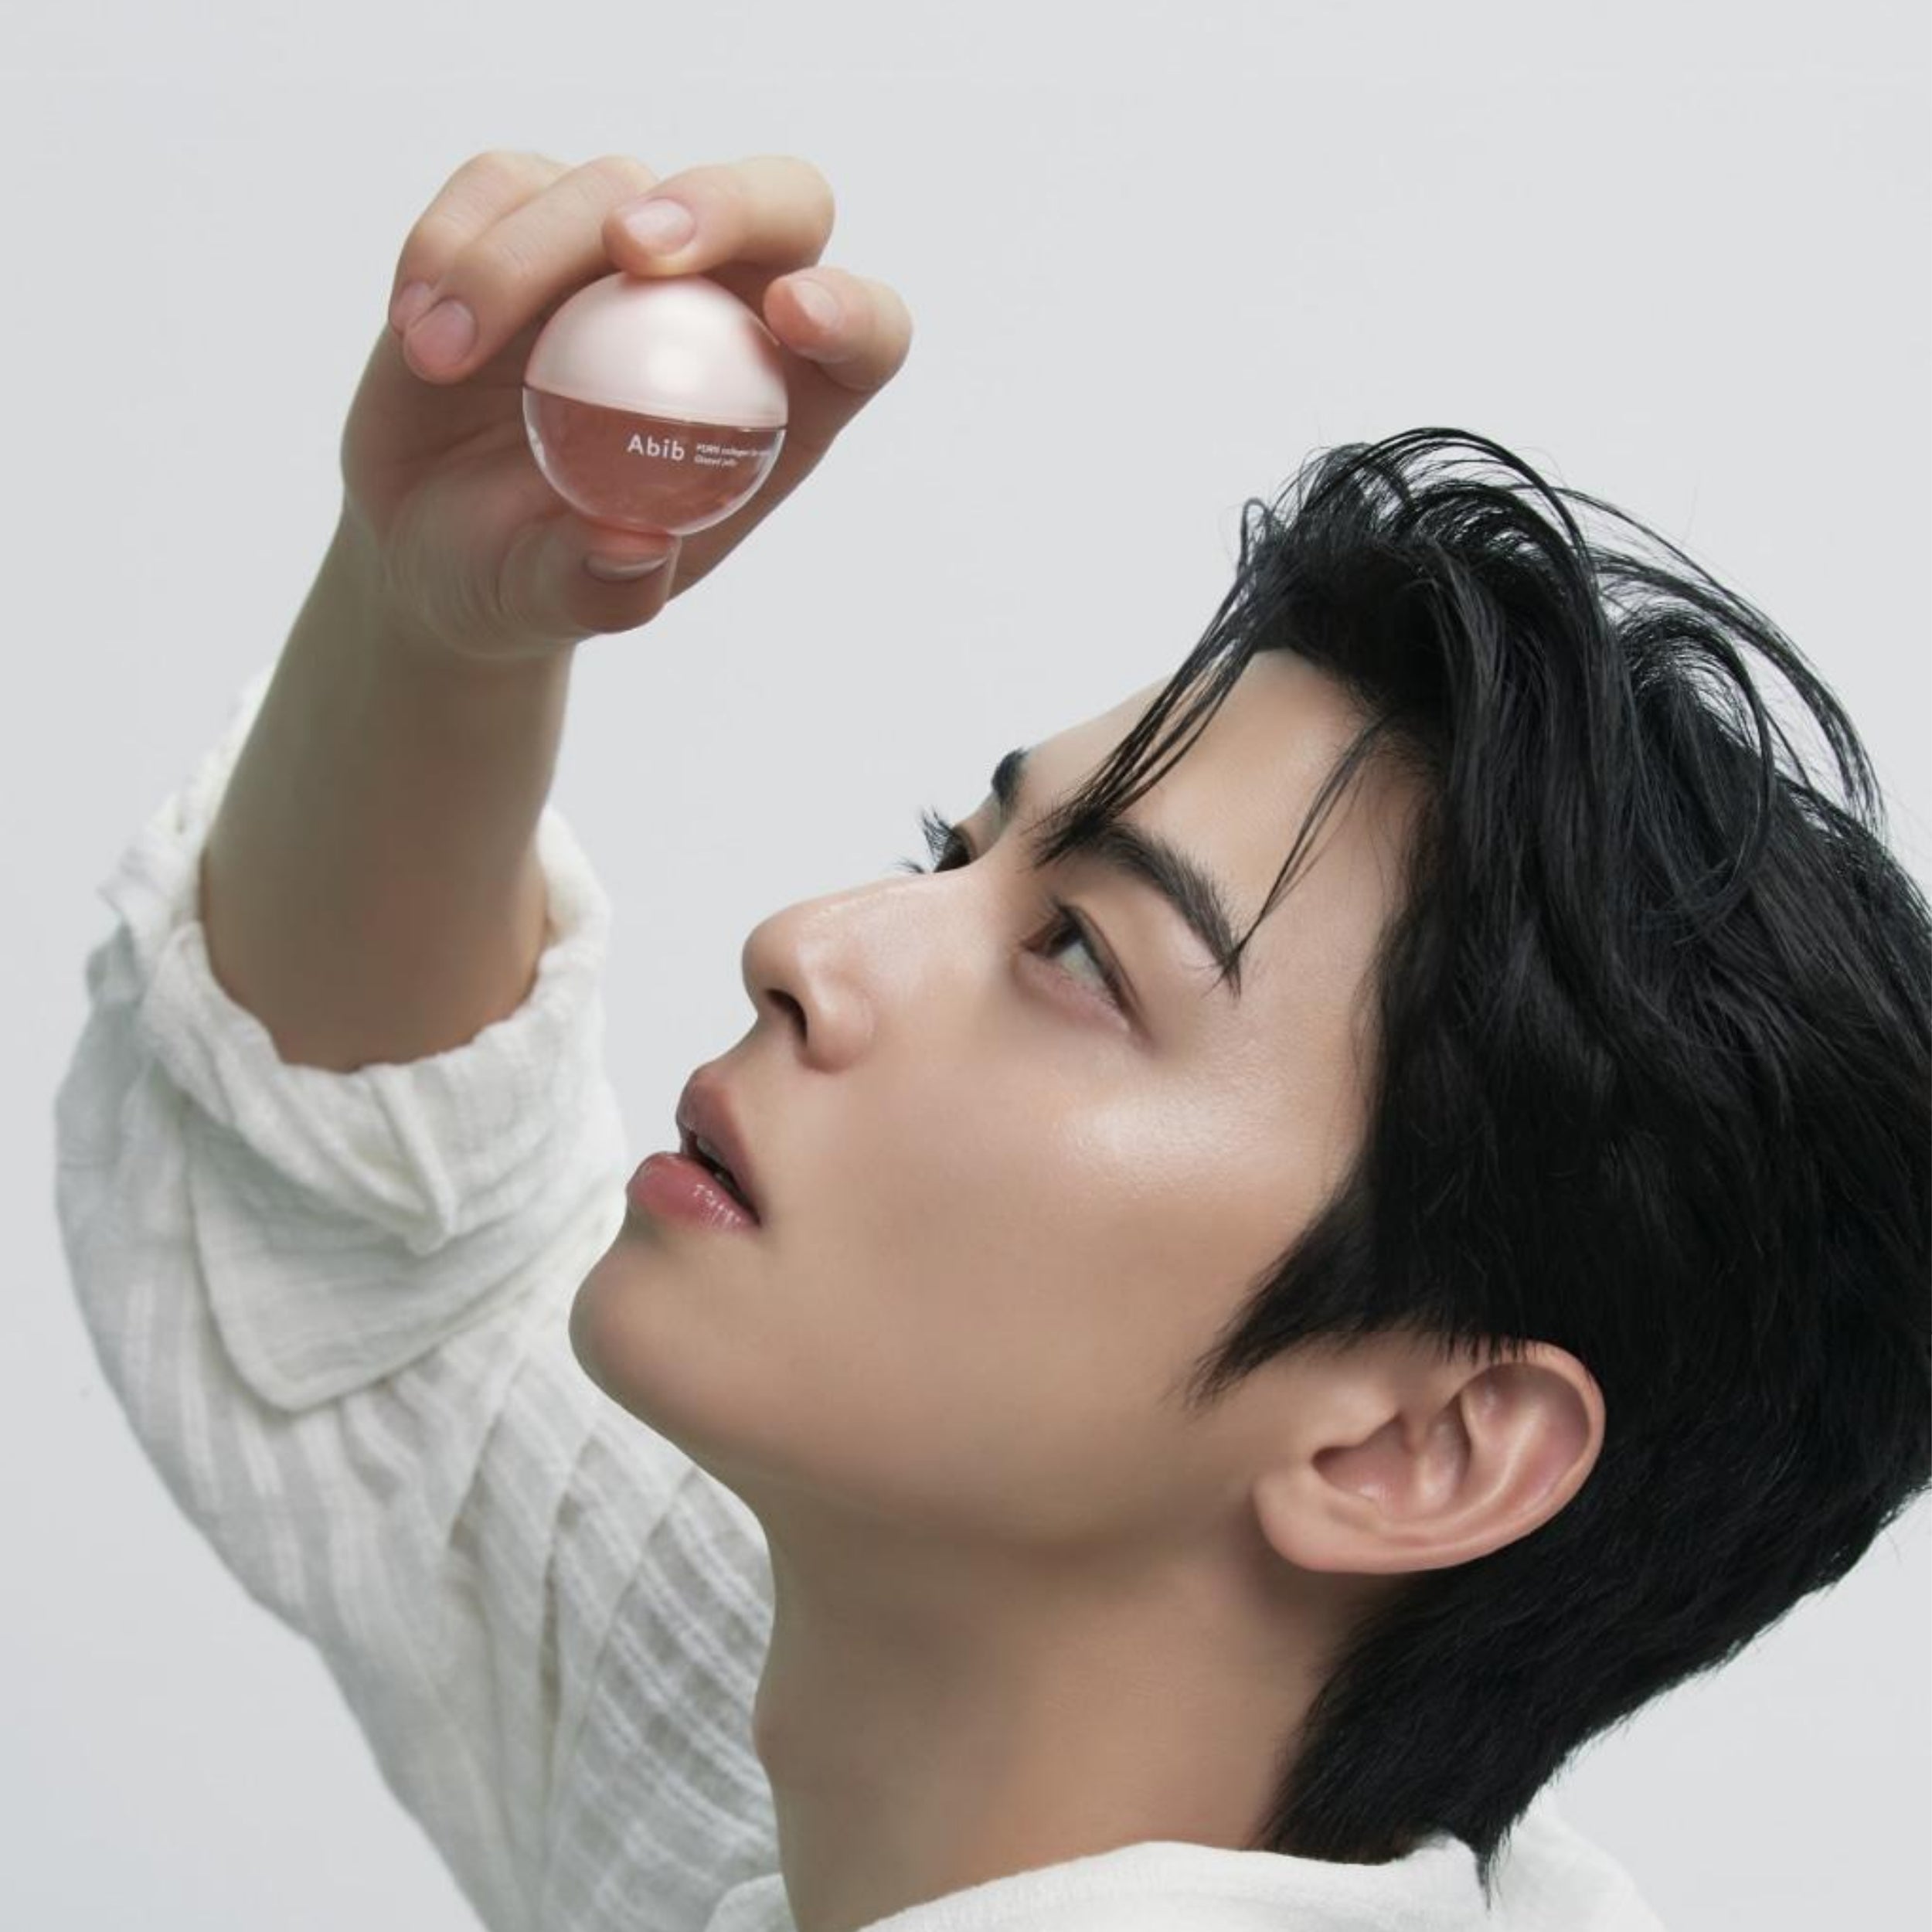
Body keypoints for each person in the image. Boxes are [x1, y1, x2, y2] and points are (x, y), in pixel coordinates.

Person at [53, 150, 1928, 1932]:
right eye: (945, 853)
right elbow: (396, 1288)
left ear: (1420, 1441)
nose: (803, 943)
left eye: (1083, 955)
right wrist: (440, 620)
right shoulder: (859, 1768)